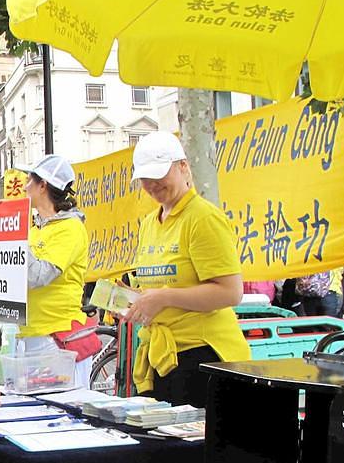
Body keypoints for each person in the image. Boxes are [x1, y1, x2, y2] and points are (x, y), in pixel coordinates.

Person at [124, 132, 250, 405]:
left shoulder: (202, 217)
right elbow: (156, 284)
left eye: (159, 175)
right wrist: (134, 299)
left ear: (183, 167)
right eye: (145, 178)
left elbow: (230, 292)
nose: (152, 185)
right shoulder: (149, 223)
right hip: (163, 356)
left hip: (203, 356)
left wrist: (164, 297)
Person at [15, 154, 94, 388]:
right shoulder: (35, 228)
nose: (25, 188)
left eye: (29, 181)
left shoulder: (70, 229)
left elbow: (38, 276)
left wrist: (15, 239)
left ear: (43, 185)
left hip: (57, 340)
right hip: (31, 336)